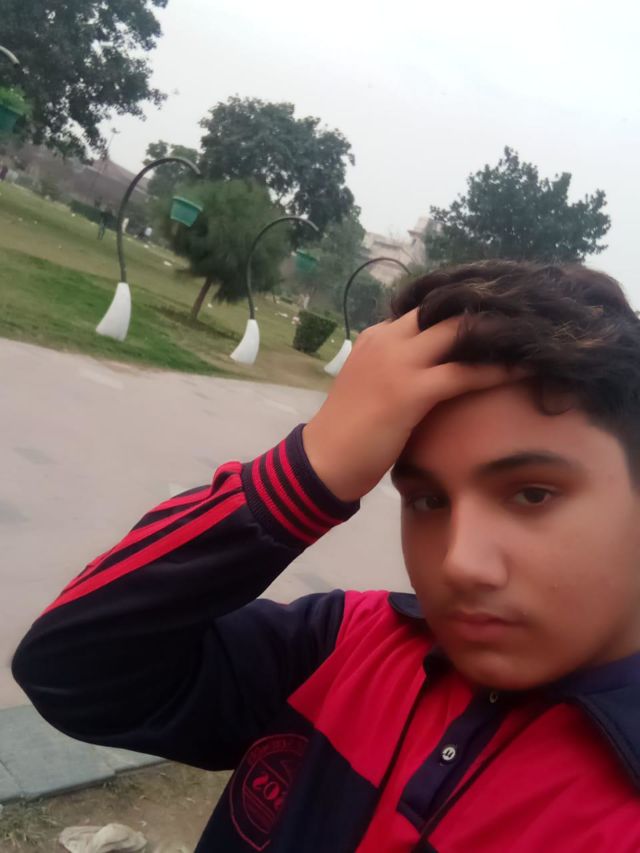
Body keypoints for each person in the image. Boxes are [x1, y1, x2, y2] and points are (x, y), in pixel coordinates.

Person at [12, 261, 640, 851]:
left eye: (531, 494)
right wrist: (310, 470)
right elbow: (72, 671)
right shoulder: (343, 645)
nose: (460, 563)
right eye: (427, 501)